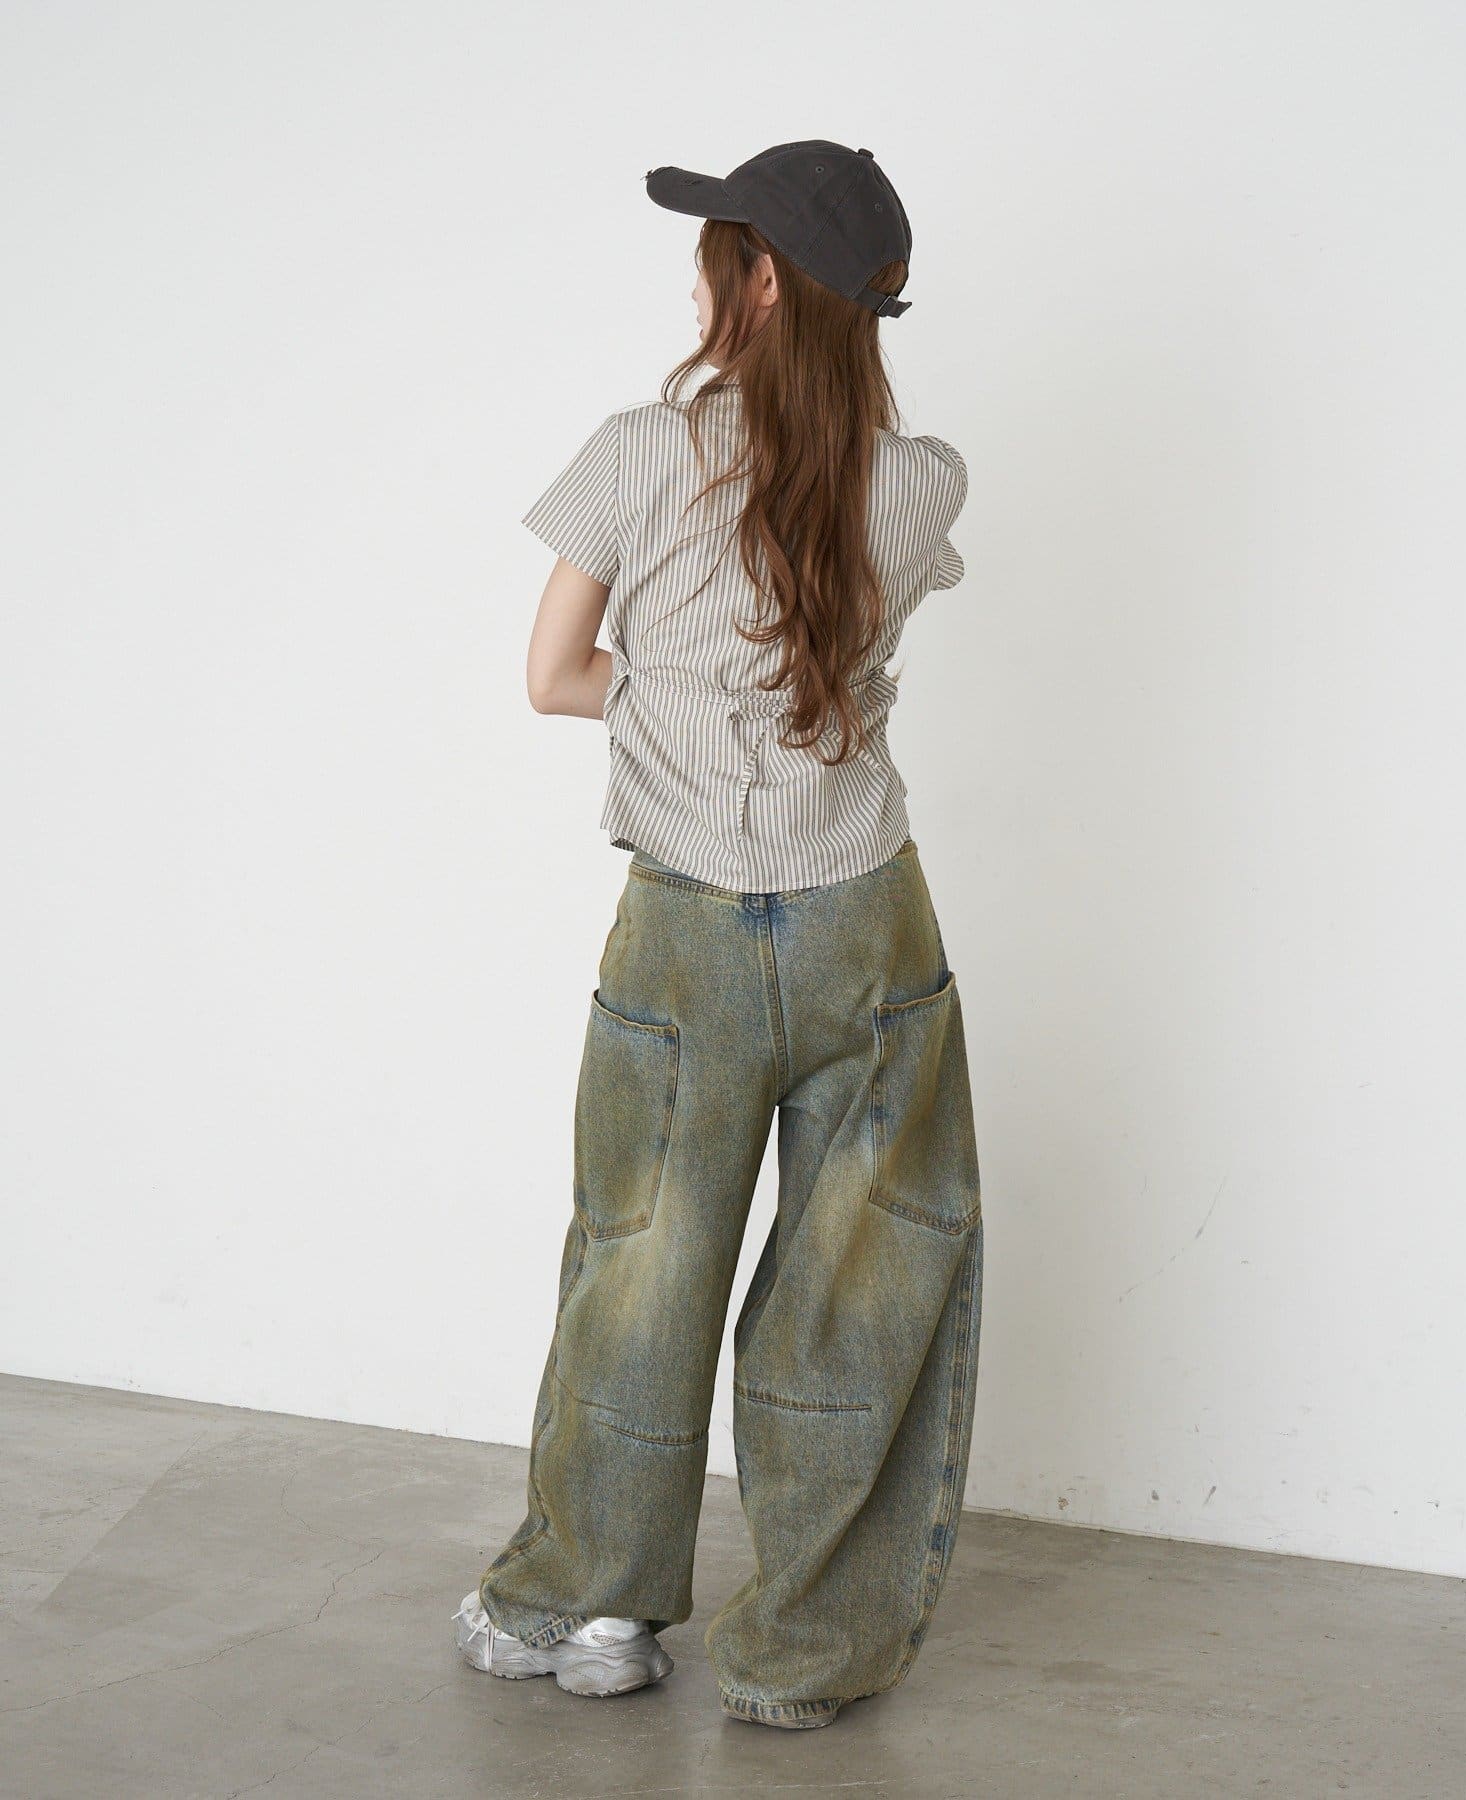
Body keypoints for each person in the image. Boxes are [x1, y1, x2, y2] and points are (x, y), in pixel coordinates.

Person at [452, 139, 983, 1732]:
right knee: (864, 1281)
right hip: (866, 922)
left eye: (719, 249)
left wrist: (679, 701)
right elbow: (831, 658)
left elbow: (555, 678)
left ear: (758, 280)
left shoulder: (635, 454)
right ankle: (803, 1656)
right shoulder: (926, 482)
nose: (700, 277)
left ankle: (588, 1608)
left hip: (684, 930)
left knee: (643, 1260)